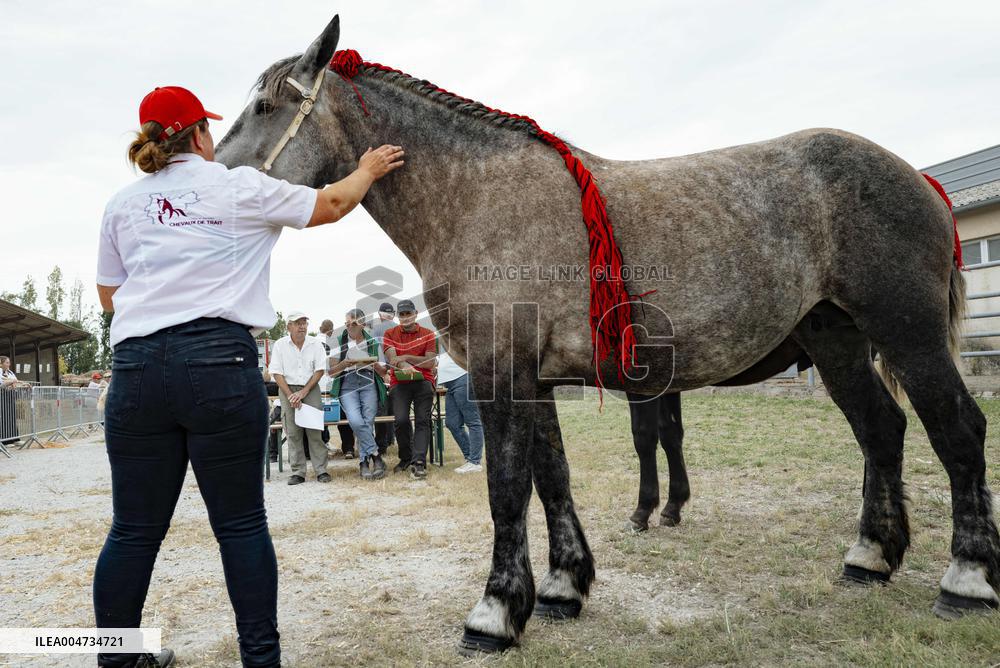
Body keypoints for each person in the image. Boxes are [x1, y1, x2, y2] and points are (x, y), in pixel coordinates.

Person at [94, 84, 403, 668]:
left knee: (132, 531)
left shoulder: (121, 205)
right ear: (202, 135)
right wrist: (365, 169)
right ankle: (261, 659)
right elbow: (330, 205)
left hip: (136, 369)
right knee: (239, 525)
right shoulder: (237, 186)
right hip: (217, 362)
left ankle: (116, 660)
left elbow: (111, 299)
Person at [269, 312, 330, 485]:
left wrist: (303, 393)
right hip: (287, 388)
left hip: (310, 388)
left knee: (315, 431)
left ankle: (321, 470)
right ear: (288, 326)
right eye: (298, 323)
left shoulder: (315, 344)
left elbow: (319, 370)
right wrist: (290, 395)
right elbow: (277, 373)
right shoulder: (280, 345)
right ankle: (298, 472)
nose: (302, 326)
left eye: (304, 323)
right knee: (293, 432)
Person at [328, 309, 388, 479]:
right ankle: (376, 456)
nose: (350, 326)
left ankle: (364, 463)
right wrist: (344, 363)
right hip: (348, 383)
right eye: (347, 323)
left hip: (368, 381)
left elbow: (383, 372)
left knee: (367, 421)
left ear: (362, 323)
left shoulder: (373, 341)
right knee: (355, 420)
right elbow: (331, 372)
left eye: (354, 323)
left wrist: (373, 361)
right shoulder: (338, 341)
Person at [382, 300, 437, 479]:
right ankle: (405, 458)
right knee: (401, 420)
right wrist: (405, 364)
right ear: (398, 316)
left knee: (423, 420)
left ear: (416, 313)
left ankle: (419, 462)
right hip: (400, 382)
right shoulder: (389, 333)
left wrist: (404, 356)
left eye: (408, 314)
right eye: (402, 314)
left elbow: (429, 363)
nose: (405, 317)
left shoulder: (428, 334)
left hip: (423, 381)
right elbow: (391, 359)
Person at [436, 351, 484, 473]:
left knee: (473, 421)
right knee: (451, 423)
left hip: (463, 379)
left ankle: (475, 462)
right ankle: (470, 458)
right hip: (450, 384)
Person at [372, 303, 397, 456]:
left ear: (380, 315)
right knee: (399, 410)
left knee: (382, 410)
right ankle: (393, 439)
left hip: (383, 373)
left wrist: (384, 372)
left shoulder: (375, 330)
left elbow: (378, 352)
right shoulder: (399, 328)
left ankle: (382, 445)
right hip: (399, 373)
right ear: (393, 314)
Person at [0, 356, 23, 446]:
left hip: (10, 396)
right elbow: (1, 385)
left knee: (12, 417)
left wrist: (24, 385)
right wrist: (11, 382)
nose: (9, 364)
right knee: (4, 417)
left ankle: (15, 439)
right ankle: (5, 441)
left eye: (9, 362)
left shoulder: (10, 373)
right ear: (1, 364)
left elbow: (16, 382)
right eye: (7, 362)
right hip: (2, 396)